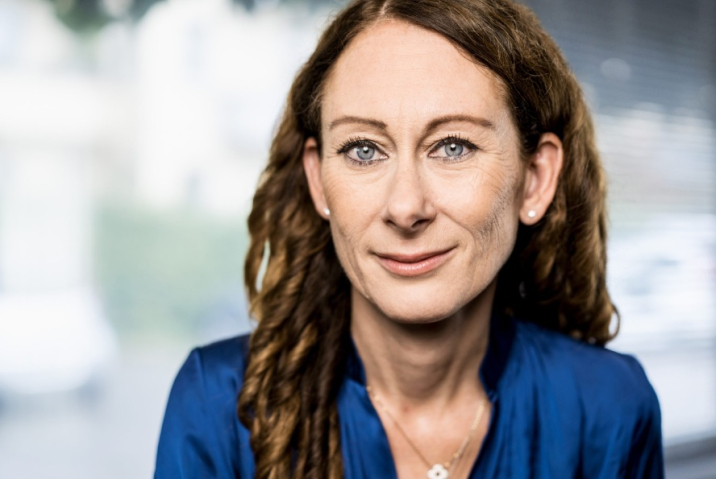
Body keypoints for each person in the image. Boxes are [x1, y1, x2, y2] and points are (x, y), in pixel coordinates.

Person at [154, 0, 664, 477]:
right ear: (318, 181)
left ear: (534, 180)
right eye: (363, 150)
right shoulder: (217, 405)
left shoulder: (611, 406)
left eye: (453, 146)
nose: (405, 207)